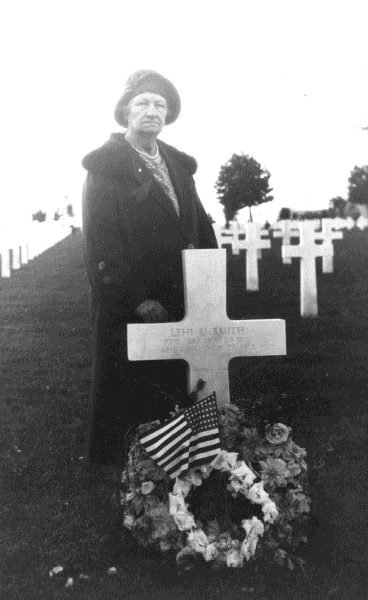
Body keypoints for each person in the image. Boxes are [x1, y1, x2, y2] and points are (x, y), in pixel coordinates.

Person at [81, 70, 218, 477]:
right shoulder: (106, 167)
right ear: (125, 112)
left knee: (178, 390)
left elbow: (198, 224)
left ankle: (182, 470)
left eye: (160, 105)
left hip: (182, 298)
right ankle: (139, 481)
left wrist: (210, 282)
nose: (152, 111)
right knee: (134, 398)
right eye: (142, 103)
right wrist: (139, 297)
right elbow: (102, 244)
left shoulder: (178, 164)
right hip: (134, 302)